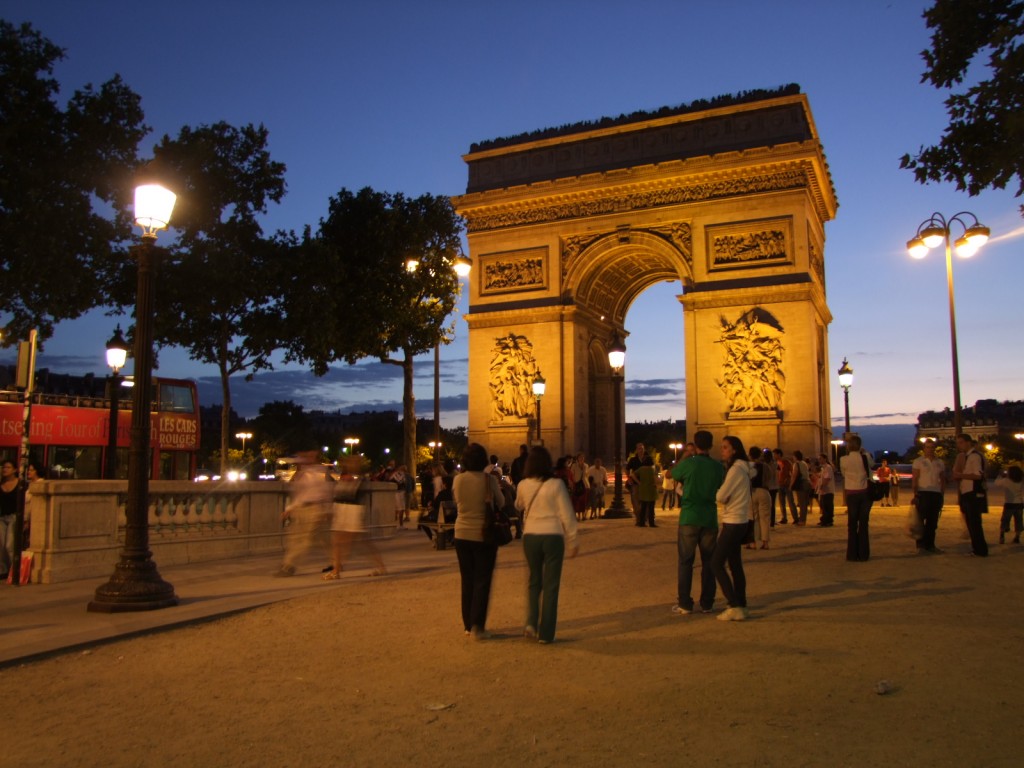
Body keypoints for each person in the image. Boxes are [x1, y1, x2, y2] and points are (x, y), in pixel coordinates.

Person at [515, 446, 579, 644]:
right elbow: (567, 514)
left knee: (534, 582)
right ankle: (546, 633)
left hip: (531, 536)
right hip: (552, 536)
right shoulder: (557, 485)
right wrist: (573, 540)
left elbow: (518, 505)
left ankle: (531, 623)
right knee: (551, 586)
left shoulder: (523, 484)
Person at [453, 442, 505, 640]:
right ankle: (478, 626)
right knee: (482, 581)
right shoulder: (488, 480)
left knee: (467, 580)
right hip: (483, 534)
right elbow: (501, 502)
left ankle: (467, 625)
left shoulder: (457, 480)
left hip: (461, 534)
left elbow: (459, 501)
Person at [670, 430, 724, 615]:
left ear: (696, 444)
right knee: (709, 562)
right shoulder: (718, 467)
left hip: (689, 517)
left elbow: (672, 474)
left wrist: (685, 455)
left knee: (686, 562)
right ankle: (707, 603)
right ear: (711, 444)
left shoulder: (689, 464)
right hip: (709, 517)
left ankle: (685, 603)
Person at [323, 456, 386, 579]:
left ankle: (337, 570)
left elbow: (351, 493)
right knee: (346, 542)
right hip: (343, 510)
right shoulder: (347, 476)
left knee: (351, 542)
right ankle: (337, 569)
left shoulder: (357, 478)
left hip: (351, 511)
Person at [712, 436, 754, 621]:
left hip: (733, 521)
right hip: (742, 520)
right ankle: (742, 604)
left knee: (716, 563)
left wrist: (719, 494)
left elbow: (721, 496)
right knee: (735, 565)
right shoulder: (745, 469)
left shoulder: (735, 470)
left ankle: (734, 604)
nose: (722, 450)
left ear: (735, 450)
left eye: (725, 447)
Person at [275, 451, 334, 577]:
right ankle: (336, 561)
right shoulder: (301, 475)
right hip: (302, 509)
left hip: (315, 509)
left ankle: (289, 565)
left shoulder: (320, 473)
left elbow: (326, 492)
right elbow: (299, 495)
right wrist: (290, 509)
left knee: (305, 540)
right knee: (314, 539)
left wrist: (327, 509)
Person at [953, 434, 989, 557]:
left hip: (972, 492)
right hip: (969, 492)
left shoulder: (974, 457)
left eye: (961, 442)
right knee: (972, 522)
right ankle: (978, 548)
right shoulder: (971, 456)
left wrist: (960, 475)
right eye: (958, 443)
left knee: (974, 522)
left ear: (968, 442)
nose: (959, 445)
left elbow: (978, 475)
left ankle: (980, 549)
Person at [839, 435, 872, 561]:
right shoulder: (866, 457)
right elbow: (872, 465)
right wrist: (864, 452)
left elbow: (843, 474)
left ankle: (852, 554)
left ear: (848, 446)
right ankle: (863, 553)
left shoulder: (843, 460)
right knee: (863, 524)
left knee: (852, 525)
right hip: (865, 493)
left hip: (851, 493)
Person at [911, 439, 946, 554]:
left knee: (933, 522)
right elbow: (915, 479)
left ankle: (930, 545)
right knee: (920, 520)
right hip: (923, 492)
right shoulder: (918, 461)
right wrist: (915, 494)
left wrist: (942, 493)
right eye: (928, 447)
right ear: (924, 449)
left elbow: (943, 479)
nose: (930, 449)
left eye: (932, 447)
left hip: (936, 493)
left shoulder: (940, 462)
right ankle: (920, 546)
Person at [0, 459, 21, 579]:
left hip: (14, 517)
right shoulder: (1, 485)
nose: (4, 470)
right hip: (2, 517)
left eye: (8, 467)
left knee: (9, 545)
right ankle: (3, 570)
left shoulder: (20, 484)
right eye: (3, 467)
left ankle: (15, 569)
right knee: (1, 544)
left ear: (14, 470)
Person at [748, 447, 771, 549]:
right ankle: (765, 543)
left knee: (753, 518)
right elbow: (769, 478)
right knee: (765, 518)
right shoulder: (765, 466)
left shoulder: (748, 466)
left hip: (752, 492)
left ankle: (753, 543)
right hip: (764, 491)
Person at [995, 465, 1024, 544]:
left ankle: (1002, 536)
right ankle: (1017, 537)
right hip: (1019, 503)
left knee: (1005, 520)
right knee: (1018, 520)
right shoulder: (1021, 481)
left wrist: (1000, 475)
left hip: (1009, 503)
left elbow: (997, 483)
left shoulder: (1006, 480)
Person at [633, 455, 658, 527]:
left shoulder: (641, 469)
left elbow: (633, 475)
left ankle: (641, 523)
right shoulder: (652, 469)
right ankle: (651, 523)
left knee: (643, 507)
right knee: (651, 508)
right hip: (651, 490)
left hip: (643, 489)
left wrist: (638, 482)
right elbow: (655, 479)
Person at [774, 449, 795, 524]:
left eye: (775, 454)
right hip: (780, 484)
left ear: (779, 454)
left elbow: (792, 472)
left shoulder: (786, 462)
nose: (774, 456)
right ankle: (784, 518)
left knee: (790, 501)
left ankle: (795, 518)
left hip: (786, 484)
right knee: (782, 502)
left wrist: (789, 480)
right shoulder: (776, 463)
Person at [568, 452, 589, 521]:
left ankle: (583, 515)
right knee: (577, 501)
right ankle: (578, 516)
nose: (581, 459)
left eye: (582, 458)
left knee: (584, 501)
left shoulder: (586, 466)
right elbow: (571, 475)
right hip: (576, 485)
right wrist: (572, 483)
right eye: (580, 457)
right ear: (577, 459)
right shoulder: (574, 466)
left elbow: (586, 475)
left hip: (584, 485)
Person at [791, 450, 810, 525]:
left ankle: (802, 520)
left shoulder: (796, 464)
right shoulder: (804, 463)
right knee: (804, 503)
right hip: (807, 483)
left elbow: (794, 475)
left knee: (801, 503)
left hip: (801, 484)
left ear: (795, 457)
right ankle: (803, 519)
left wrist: (791, 485)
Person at [815, 454, 836, 527]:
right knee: (823, 506)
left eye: (820, 458)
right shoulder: (823, 468)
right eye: (819, 459)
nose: (819, 460)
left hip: (828, 490)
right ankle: (824, 519)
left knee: (828, 506)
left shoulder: (828, 468)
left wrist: (822, 486)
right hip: (823, 491)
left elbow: (827, 478)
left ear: (825, 459)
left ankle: (828, 520)